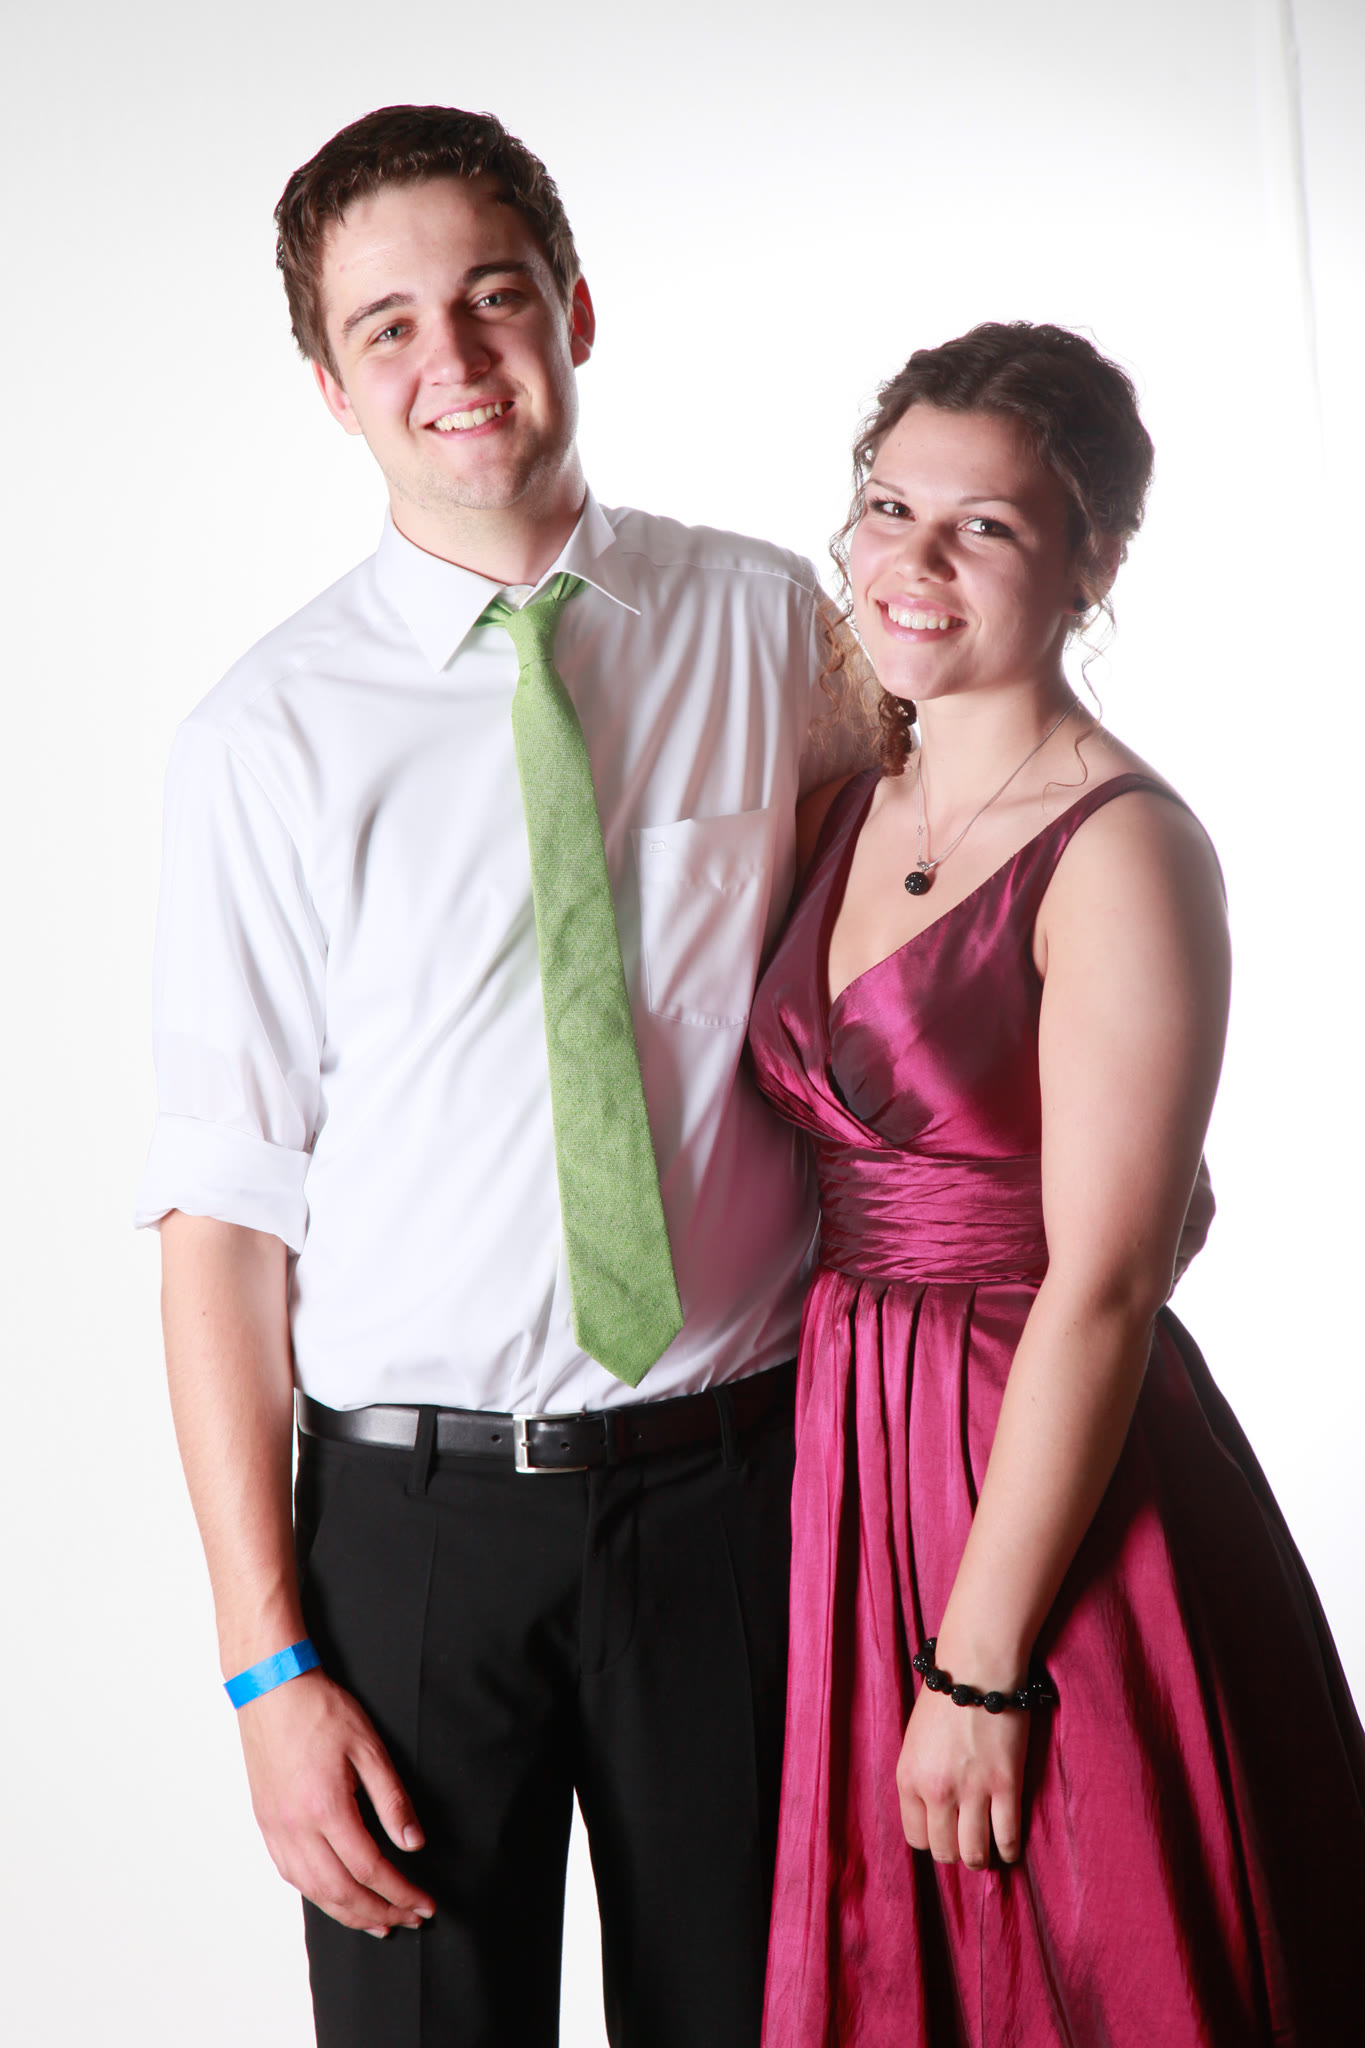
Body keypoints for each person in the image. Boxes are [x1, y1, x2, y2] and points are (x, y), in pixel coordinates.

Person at [135, 104, 870, 2048]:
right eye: (385, 326)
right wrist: (263, 1672)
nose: (450, 358)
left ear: (575, 310)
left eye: (491, 295)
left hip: (737, 1493)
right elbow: (221, 1229)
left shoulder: (765, 624)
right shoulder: (263, 741)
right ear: (328, 385)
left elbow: (929, 912)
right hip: (414, 1538)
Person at [747, 321, 1365, 2044]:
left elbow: (1104, 1281)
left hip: (1039, 1474)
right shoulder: (841, 804)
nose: (913, 562)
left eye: (986, 527)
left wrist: (980, 1663)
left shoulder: (1124, 847)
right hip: (852, 1451)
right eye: (888, 508)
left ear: (1092, 562)